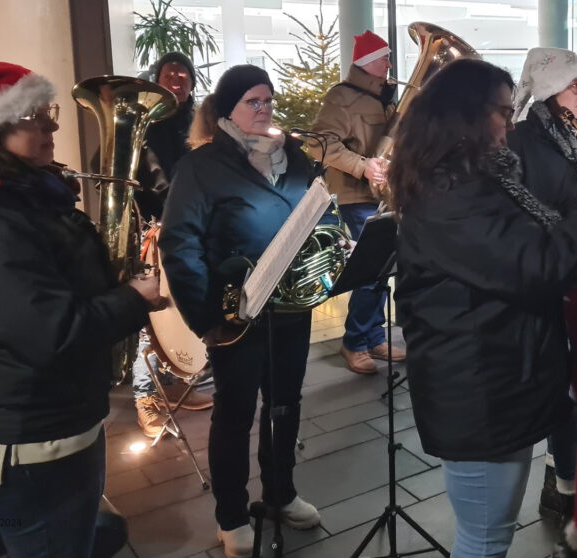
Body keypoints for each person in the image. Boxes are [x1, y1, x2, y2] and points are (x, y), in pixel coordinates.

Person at [389, 58, 577, 558]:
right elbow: (534, 264)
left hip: (500, 371)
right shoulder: (452, 192)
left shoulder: (477, 176)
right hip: (478, 385)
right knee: (484, 536)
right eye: (501, 112)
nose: (509, 121)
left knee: (491, 529)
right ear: (467, 118)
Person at [0, 61, 162, 557]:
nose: (53, 126)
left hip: (44, 425)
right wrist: (134, 297)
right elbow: (50, 331)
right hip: (27, 442)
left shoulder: (20, 197)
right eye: (36, 116)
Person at [160, 65, 323, 558]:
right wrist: (206, 318)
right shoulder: (202, 165)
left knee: (285, 405)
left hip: (291, 306)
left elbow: (315, 218)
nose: (264, 109)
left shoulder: (294, 158)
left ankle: (280, 494)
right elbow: (179, 243)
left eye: (269, 100)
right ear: (227, 108)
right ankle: (231, 516)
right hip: (234, 315)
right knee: (234, 415)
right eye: (253, 101)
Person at [506, 46, 577, 521]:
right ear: (547, 90)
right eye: (574, 86)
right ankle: (559, 483)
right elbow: (519, 213)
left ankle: (564, 482)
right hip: (545, 274)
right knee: (557, 385)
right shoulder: (521, 139)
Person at [308, 30, 403, 375]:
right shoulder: (342, 97)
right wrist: (363, 167)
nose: (389, 63)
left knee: (380, 271)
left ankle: (374, 336)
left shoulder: (384, 96)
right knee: (368, 272)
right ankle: (355, 343)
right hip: (353, 194)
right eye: (383, 58)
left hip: (380, 193)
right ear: (365, 63)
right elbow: (319, 144)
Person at [131, 51, 213, 439]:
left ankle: (173, 383)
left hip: (188, 226)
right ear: (157, 80)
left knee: (178, 306)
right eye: (170, 74)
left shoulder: (196, 122)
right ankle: (144, 396)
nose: (177, 79)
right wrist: (172, 213)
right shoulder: (143, 123)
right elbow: (152, 173)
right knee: (149, 313)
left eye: (184, 75)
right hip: (153, 227)